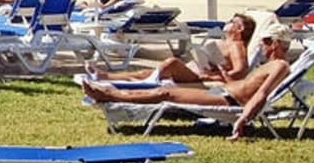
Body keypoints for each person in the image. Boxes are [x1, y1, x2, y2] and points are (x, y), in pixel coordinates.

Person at [81, 23, 295, 140]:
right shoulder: (271, 64)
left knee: (166, 94)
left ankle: (109, 95)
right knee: (167, 89)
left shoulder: (280, 66)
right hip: (223, 92)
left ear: (275, 43)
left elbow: (261, 94)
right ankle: (109, 91)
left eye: (265, 42)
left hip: (229, 101)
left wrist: (242, 120)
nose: (262, 46)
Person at [87, 13, 253, 85]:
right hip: (195, 72)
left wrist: (218, 74)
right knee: (146, 72)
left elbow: (241, 70)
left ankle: (148, 85)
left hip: (200, 77)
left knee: (171, 63)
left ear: (240, 29)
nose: (228, 22)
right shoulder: (226, 42)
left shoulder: (236, 45)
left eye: (232, 21)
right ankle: (105, 76)